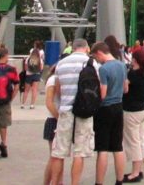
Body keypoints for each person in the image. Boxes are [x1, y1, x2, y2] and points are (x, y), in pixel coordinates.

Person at [49, 38, 94, 185]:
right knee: (79, 153)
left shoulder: (61, 64)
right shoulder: (92, 63)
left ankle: (56, 182)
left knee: (58, 152)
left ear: (72, 48)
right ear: (86, 47)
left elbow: (58, 90)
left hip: (65, 110)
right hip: (84, 111)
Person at [91, 38, 127, 185]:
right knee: (118, 147)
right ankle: (119, 180)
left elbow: (103, 93)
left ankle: (99, 182)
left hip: (105, 109)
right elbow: (126, 88)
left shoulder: (104, 69)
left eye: (95, 57)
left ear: (100, 53)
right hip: (119, 107)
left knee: (103, 148)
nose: (97, 61)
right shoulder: (122, 65)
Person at [122, 46, 144, 183]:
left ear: (136, 60)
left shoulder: (132, 74)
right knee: (139, 139)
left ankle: (135, 173)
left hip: (132, 111)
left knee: (132, 142)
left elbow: (125, 89)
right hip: (143, 109)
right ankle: (139, 169)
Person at [42, 65, 59, 185]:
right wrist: (60, 118)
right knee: (54, 156)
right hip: (53, 120)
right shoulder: (53, 80)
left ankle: (57, 181)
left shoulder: (58, 78)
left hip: (55, 119)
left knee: (58, 156)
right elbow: (49, 102)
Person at [22, 40, 44, 109]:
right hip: (36, 74)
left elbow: (25, 67)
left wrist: (28, 71)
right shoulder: (40, 59)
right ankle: (32, 105)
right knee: (34, 90)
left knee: (26, 90)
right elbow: (41, 68)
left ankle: (23, 104)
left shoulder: (28, 58)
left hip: (28, 74)